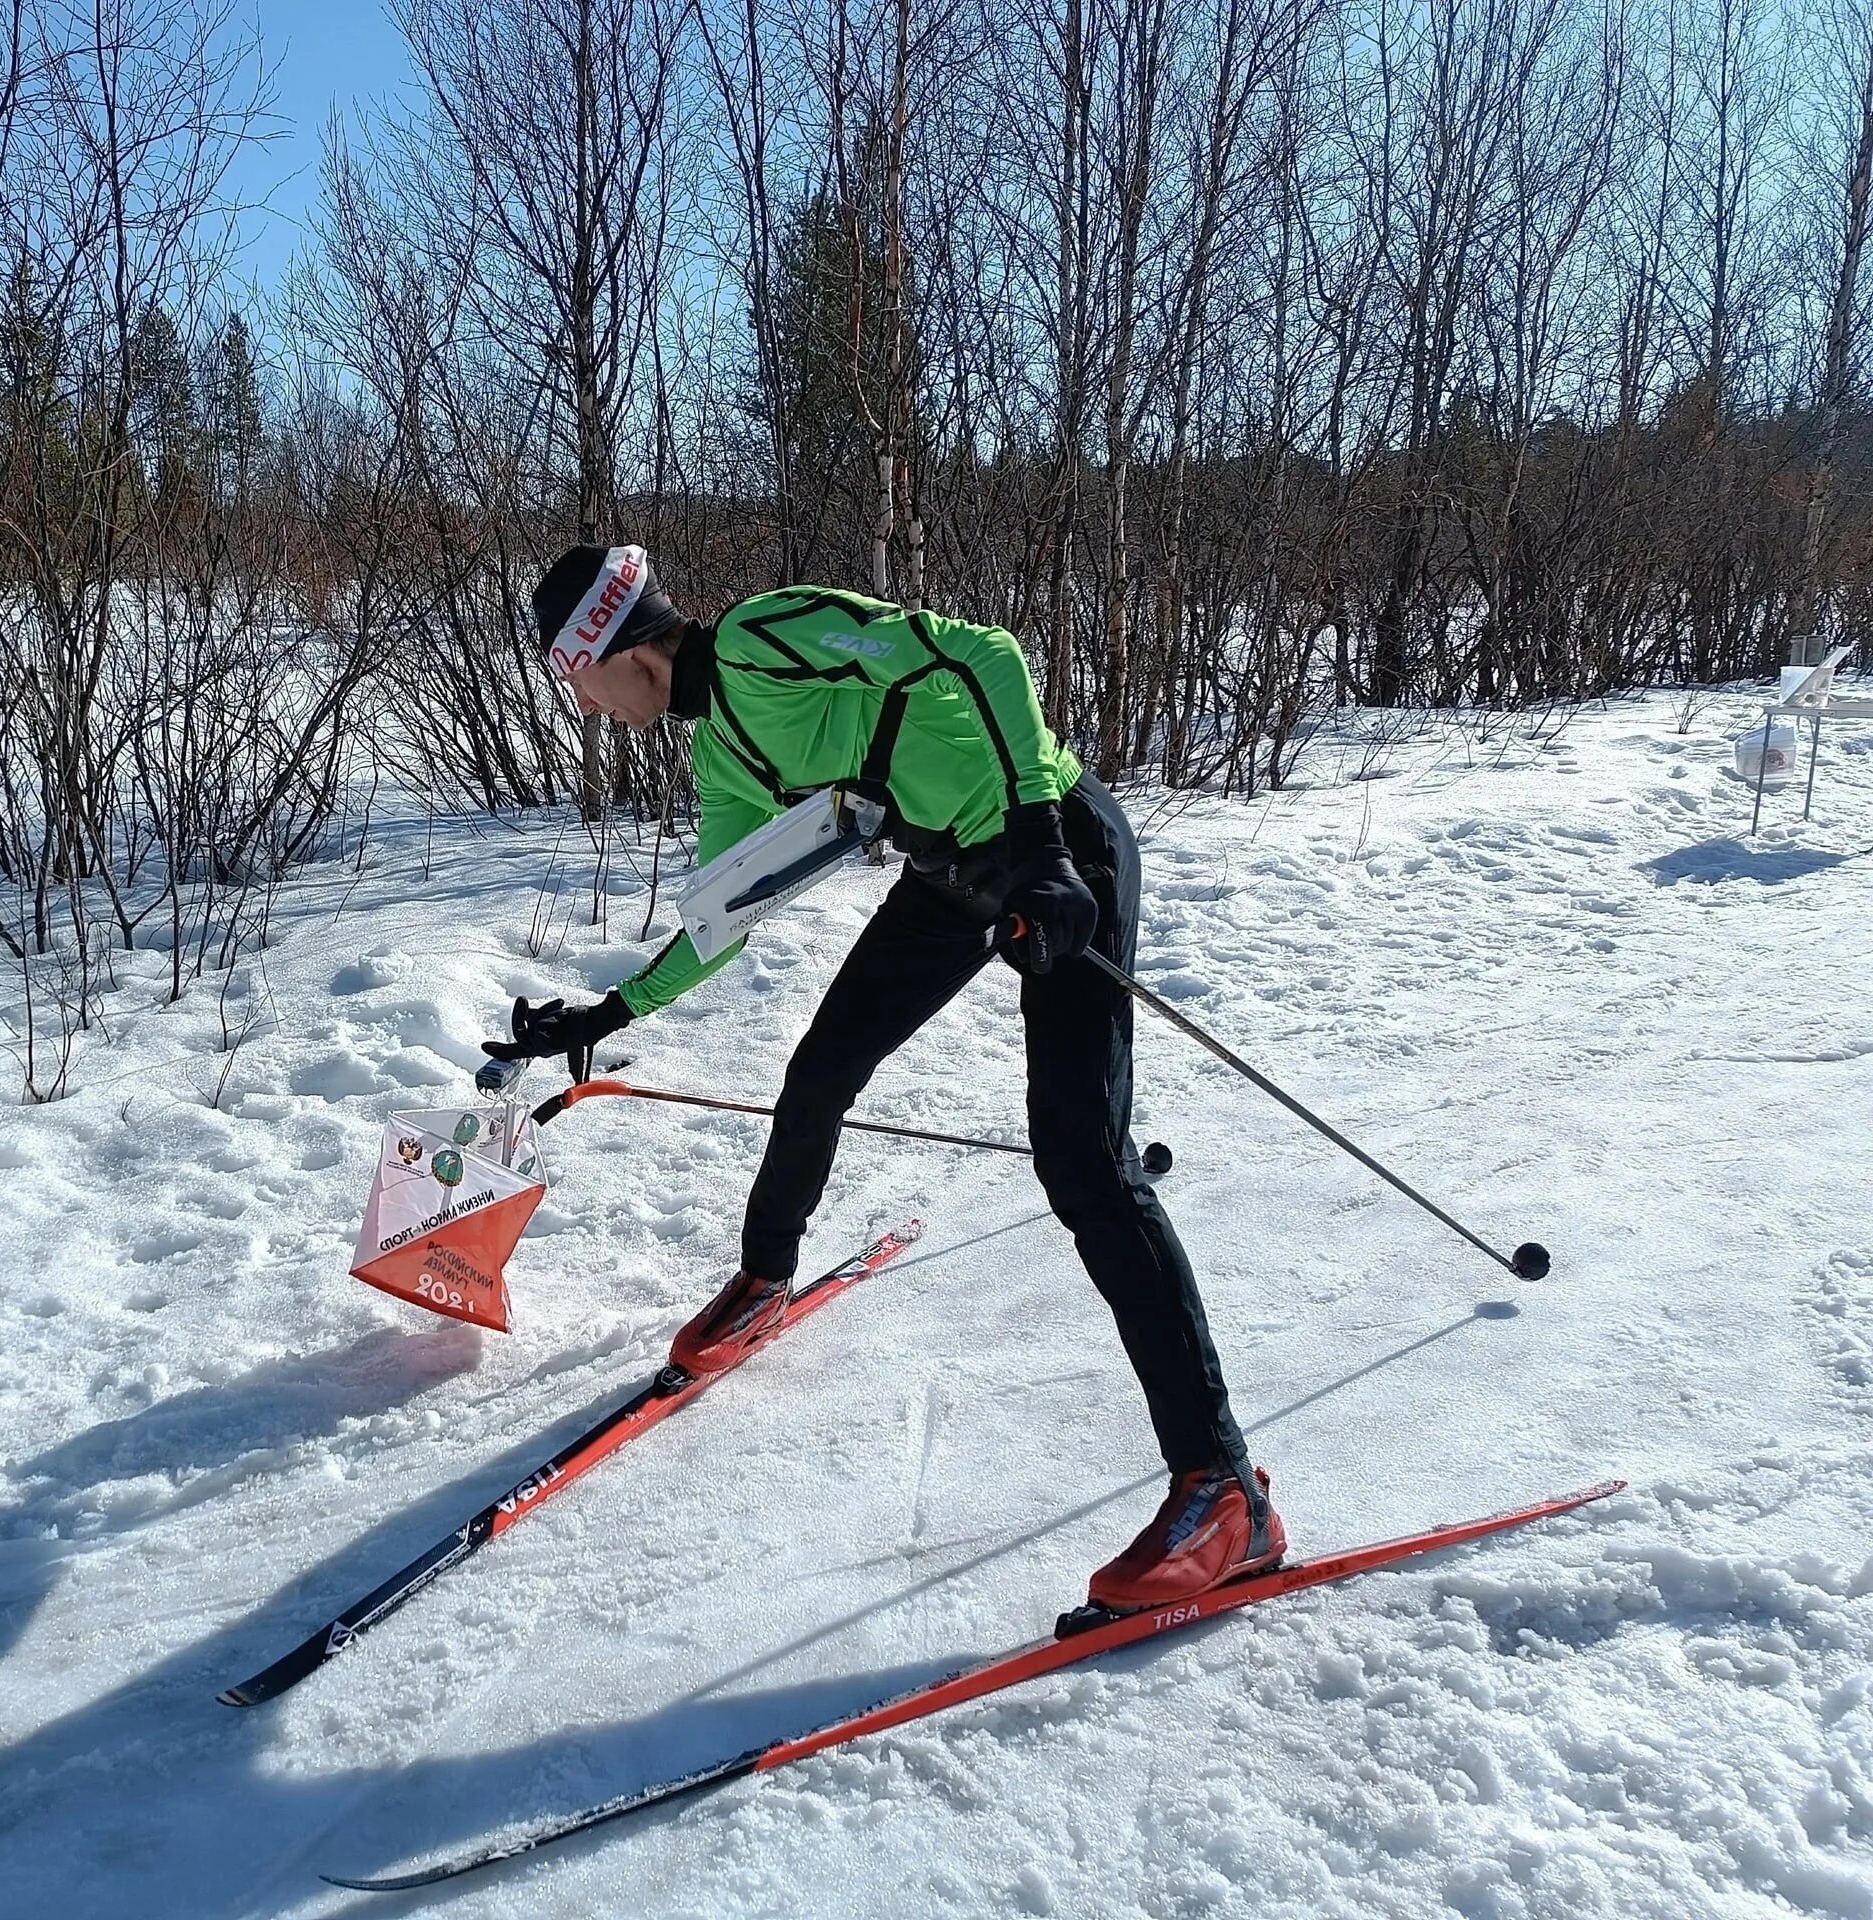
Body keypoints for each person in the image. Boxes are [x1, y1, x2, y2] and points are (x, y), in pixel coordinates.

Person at [481, 542, 1284, 1613]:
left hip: (1058, 851)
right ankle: (765, 1282)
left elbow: (980, 656)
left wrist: (1040, 843)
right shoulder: (722, 755)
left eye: (568, 676)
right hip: (955, 873)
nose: (579, 704)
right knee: (819, 1070)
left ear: (619, 652)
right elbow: (722, 918)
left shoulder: (771, 633)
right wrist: (608, 1010)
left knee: (1083, 1162)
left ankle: (1226, 1491)